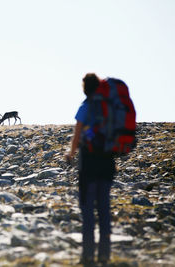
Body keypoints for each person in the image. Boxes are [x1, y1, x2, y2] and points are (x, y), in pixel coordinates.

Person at [65, 73, 116, 266]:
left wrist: (70, 154)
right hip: (107, 164)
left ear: (85, 88)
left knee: (87, 209)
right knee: (104, 207)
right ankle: (104, 254)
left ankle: (87, 255)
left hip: (88, 165)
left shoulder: (85, 107)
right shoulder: (109, 107)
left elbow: (77, 136)